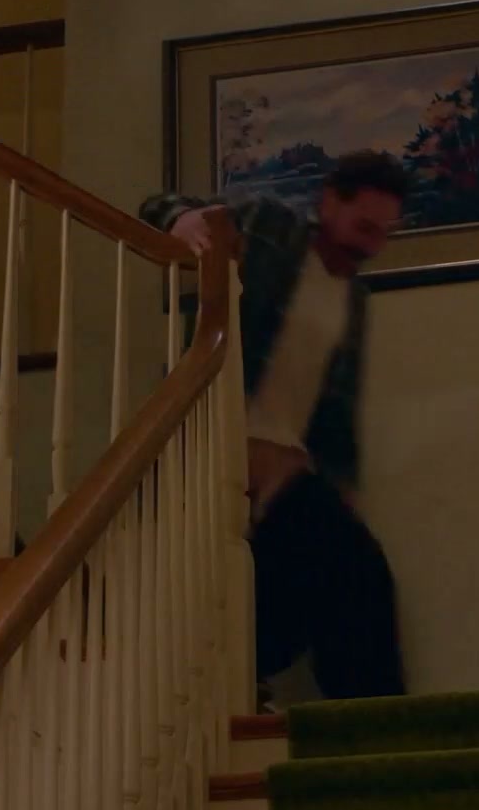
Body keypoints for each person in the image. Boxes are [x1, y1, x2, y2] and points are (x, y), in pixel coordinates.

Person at [141, 151, 408, 707]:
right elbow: (160, 204)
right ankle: (367, 720)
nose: (371, 246)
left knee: (340, 579)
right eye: (364, 227)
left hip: (286, 469)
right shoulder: (271, 229)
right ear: (329, 203)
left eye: (384, 234)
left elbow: (337, 412)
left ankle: (245, 681)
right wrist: (181, 220)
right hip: (216, 442)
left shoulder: (355, 299)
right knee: (352, 579)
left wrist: (343, 490)